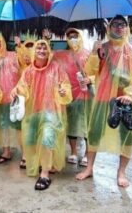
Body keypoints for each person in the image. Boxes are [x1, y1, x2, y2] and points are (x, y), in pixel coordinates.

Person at [75, 15, 132, 188]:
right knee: (94, 132)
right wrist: (95, 53)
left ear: (127, 28)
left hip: (125, 101)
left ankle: (121, 173)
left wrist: (130, 94)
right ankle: (89, 168)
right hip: (102, 98)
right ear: (109, 28)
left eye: (122, 24)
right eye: (115, 24)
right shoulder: (102, 49)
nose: (118, 27)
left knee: (126, 136)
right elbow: (89, 71)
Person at [10, 40, 72, 191]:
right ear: (34, 51)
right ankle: (41, 164)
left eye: (45, 47)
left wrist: (64, 91)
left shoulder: (56, 68)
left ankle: (44, 174)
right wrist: (16, 91)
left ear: (49, 51)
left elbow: (65, 85)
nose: (42, 50)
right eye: (39, 47)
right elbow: (22, 87)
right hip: (34, 112)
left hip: (51, 112)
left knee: (47, 138)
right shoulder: (29, 70)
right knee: (30, 140)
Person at [53, 28, 93, 167]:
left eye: (75, 36)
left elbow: (99, 72)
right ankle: (74, 152)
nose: (73, 38)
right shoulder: (62, 55)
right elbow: (48, 58)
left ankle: (88, 154)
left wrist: (90, 79)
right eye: (70, 36)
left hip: (86, 94)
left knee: (87, 124)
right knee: (72, 124)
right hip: (69, 94)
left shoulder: (89, 54)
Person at [0, 33, 23, 165]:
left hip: (15, 97)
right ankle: (6, 151)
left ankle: (25, 155)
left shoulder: (13, 55)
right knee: (3, 126)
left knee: (18, 125)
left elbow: (25, 64)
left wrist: (20, 46)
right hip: (0, 99)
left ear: (3, 42)